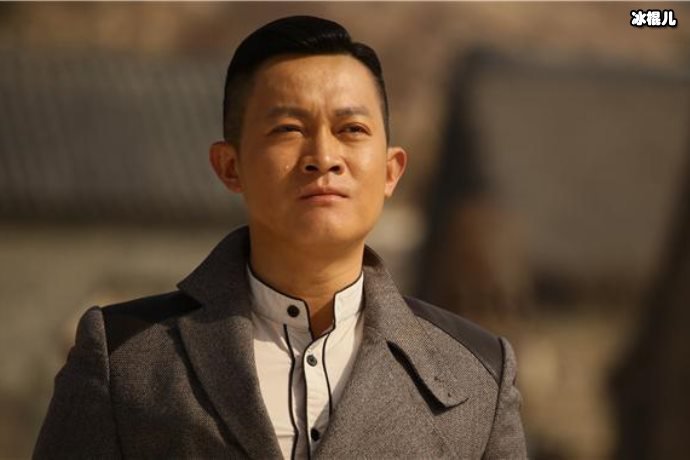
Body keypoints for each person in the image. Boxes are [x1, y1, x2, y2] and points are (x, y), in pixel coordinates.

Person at [34, 15, 527, 459]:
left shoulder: (476, 373)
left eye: (351, 129)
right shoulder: (125, 357)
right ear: (230, 166)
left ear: (391, 171)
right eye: (289, 129)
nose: (323, 157)